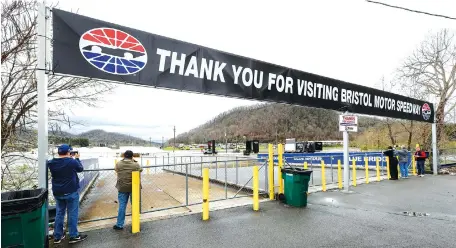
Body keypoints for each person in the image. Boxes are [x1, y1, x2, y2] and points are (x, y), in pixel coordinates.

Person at [47, 144, 88, 244]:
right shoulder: (71, 161)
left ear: (59, 152)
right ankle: (74, 235)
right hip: (71, 192)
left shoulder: (51, 162)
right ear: (69, 152)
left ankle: (57, 236)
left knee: (59, 213)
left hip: (57, 192)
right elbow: (80, 169)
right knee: (72, 214)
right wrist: (77, 159)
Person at [113, 150, 142, 230]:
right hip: (134, 187)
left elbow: (116, 169)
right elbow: (140, 170)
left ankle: (119, 225)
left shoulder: (119, 164)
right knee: (135, 205)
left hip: (122, 187)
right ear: (132, 156)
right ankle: (135, 224)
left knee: (122, 206)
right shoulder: (135, 164)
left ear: (124, 156)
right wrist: (134, 161)